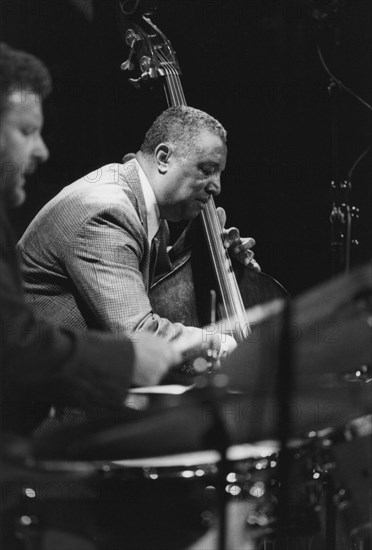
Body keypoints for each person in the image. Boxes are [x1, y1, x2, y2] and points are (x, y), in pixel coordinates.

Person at [0, 42, 183, 435]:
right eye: (27, 131)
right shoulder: (107, 207)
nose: (42, 151)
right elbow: (12, 347)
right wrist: (126, 359)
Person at [17, 105, 259, 360]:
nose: (217, 187)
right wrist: (219, 344)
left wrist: (200, 249)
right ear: (164, 157)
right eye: (207, 170)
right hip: (34, 385)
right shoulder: (107, 211)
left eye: (220, 173)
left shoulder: (140, 204)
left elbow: (141, 271)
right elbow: (138, 335)